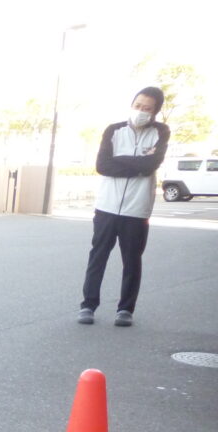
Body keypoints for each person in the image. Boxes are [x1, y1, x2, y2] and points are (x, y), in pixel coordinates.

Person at [78, 87, 169, 327]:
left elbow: (151, 165)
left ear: (155, 112)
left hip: (137, 209)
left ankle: (125, 309)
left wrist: (122, 161)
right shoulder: (114, 130)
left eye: (147, 108)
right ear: (132, 105)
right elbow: (102, 166)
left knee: (132, 260)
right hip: (106, 206)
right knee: (98, 256)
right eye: (138, 105)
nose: (140, 111)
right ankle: (88, 305)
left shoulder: (160, 131)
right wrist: (138, 164)